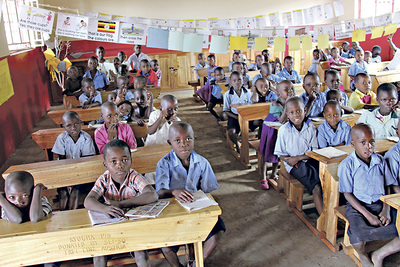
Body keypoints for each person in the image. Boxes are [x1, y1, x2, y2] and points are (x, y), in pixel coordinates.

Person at [155, 122, 225, 267]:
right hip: (173, 211)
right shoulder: (164, 164)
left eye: (188, 139)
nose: (184, 144)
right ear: (170, 143)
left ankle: (196, 264)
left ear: (194, 139)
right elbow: (160, 192)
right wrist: (174, 191)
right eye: (177, 141)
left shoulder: (202, 162)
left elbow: (207, 191)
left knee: (217, 231)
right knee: (166, 246)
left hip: (195, 208)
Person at [84, 139, 158, 267]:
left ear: (131, 160)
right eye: (113, 161)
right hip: (111, 230)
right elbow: (88, 201)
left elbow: (152, 194)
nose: (120, 165)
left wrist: (121, 204)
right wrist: (104, 209)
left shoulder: (134, 176)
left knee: (141, 253)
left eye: (124, 160)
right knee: (99, 254)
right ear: (105, 165)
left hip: (133, 229)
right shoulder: (104, 179)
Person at [338, 123, 400, 267]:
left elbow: (388, 186)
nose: (368, 147)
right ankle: (362, 254)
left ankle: (379, 254)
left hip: (381, 203)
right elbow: (348, 195)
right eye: (363, 143)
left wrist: (386, 209)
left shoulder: (380, 161)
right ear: (353, 144)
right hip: (358, 207)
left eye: (371, 142)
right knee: (358, 238)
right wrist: (368, 215)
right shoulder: (347, 165)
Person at [274, 97, 323, 214]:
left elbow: (314, 151)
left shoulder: (310, 127)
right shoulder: (284, 130)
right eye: (291, 112)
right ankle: (323, 219)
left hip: (308, 160)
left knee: (326, 181)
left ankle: (324, 210)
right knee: (316, 187)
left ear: (305, 110)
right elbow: (280, 153)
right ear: (287, 114)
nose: (296, 115)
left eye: (299, 111)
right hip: (294, 165)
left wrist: (298, 158)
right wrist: (291, 160)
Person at [52, 111, 96, 210]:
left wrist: (75, 180)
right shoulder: (61, 138)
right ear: (64, 127)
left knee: (75, 193)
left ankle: (72, 215)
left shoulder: (86, 138)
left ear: (81, 123)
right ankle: (63, 214)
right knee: (63, 193)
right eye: (69, 125)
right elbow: (60, 160)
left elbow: (87, 161)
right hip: (65, 172)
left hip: (83, 173)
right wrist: (69, 181)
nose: (73, 128)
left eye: (76, 124)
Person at [259, 80, 295, 189]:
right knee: (267, 152)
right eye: (286, 90)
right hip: (270, 131)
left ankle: (274, 174)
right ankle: (263, 176)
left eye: (292, 89)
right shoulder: (276, 104)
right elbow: (282, 120)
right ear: (278, 94)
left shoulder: (293, 102)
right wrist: (288, 104)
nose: (290, 92)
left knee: (278, 153)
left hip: (281, 132)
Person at [223, 71, 253, 153]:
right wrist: (237, 117)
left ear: (243, 81)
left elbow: (252, 105)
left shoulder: (247, 92)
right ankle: (237, 144)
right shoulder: (227, 94)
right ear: (231, 82)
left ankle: (257, 144)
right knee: (231, 133)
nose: (237, 83)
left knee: (260, 123)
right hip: (234, 116)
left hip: (247, 116)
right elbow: (226, 110)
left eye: (239, 80)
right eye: (234, 81)